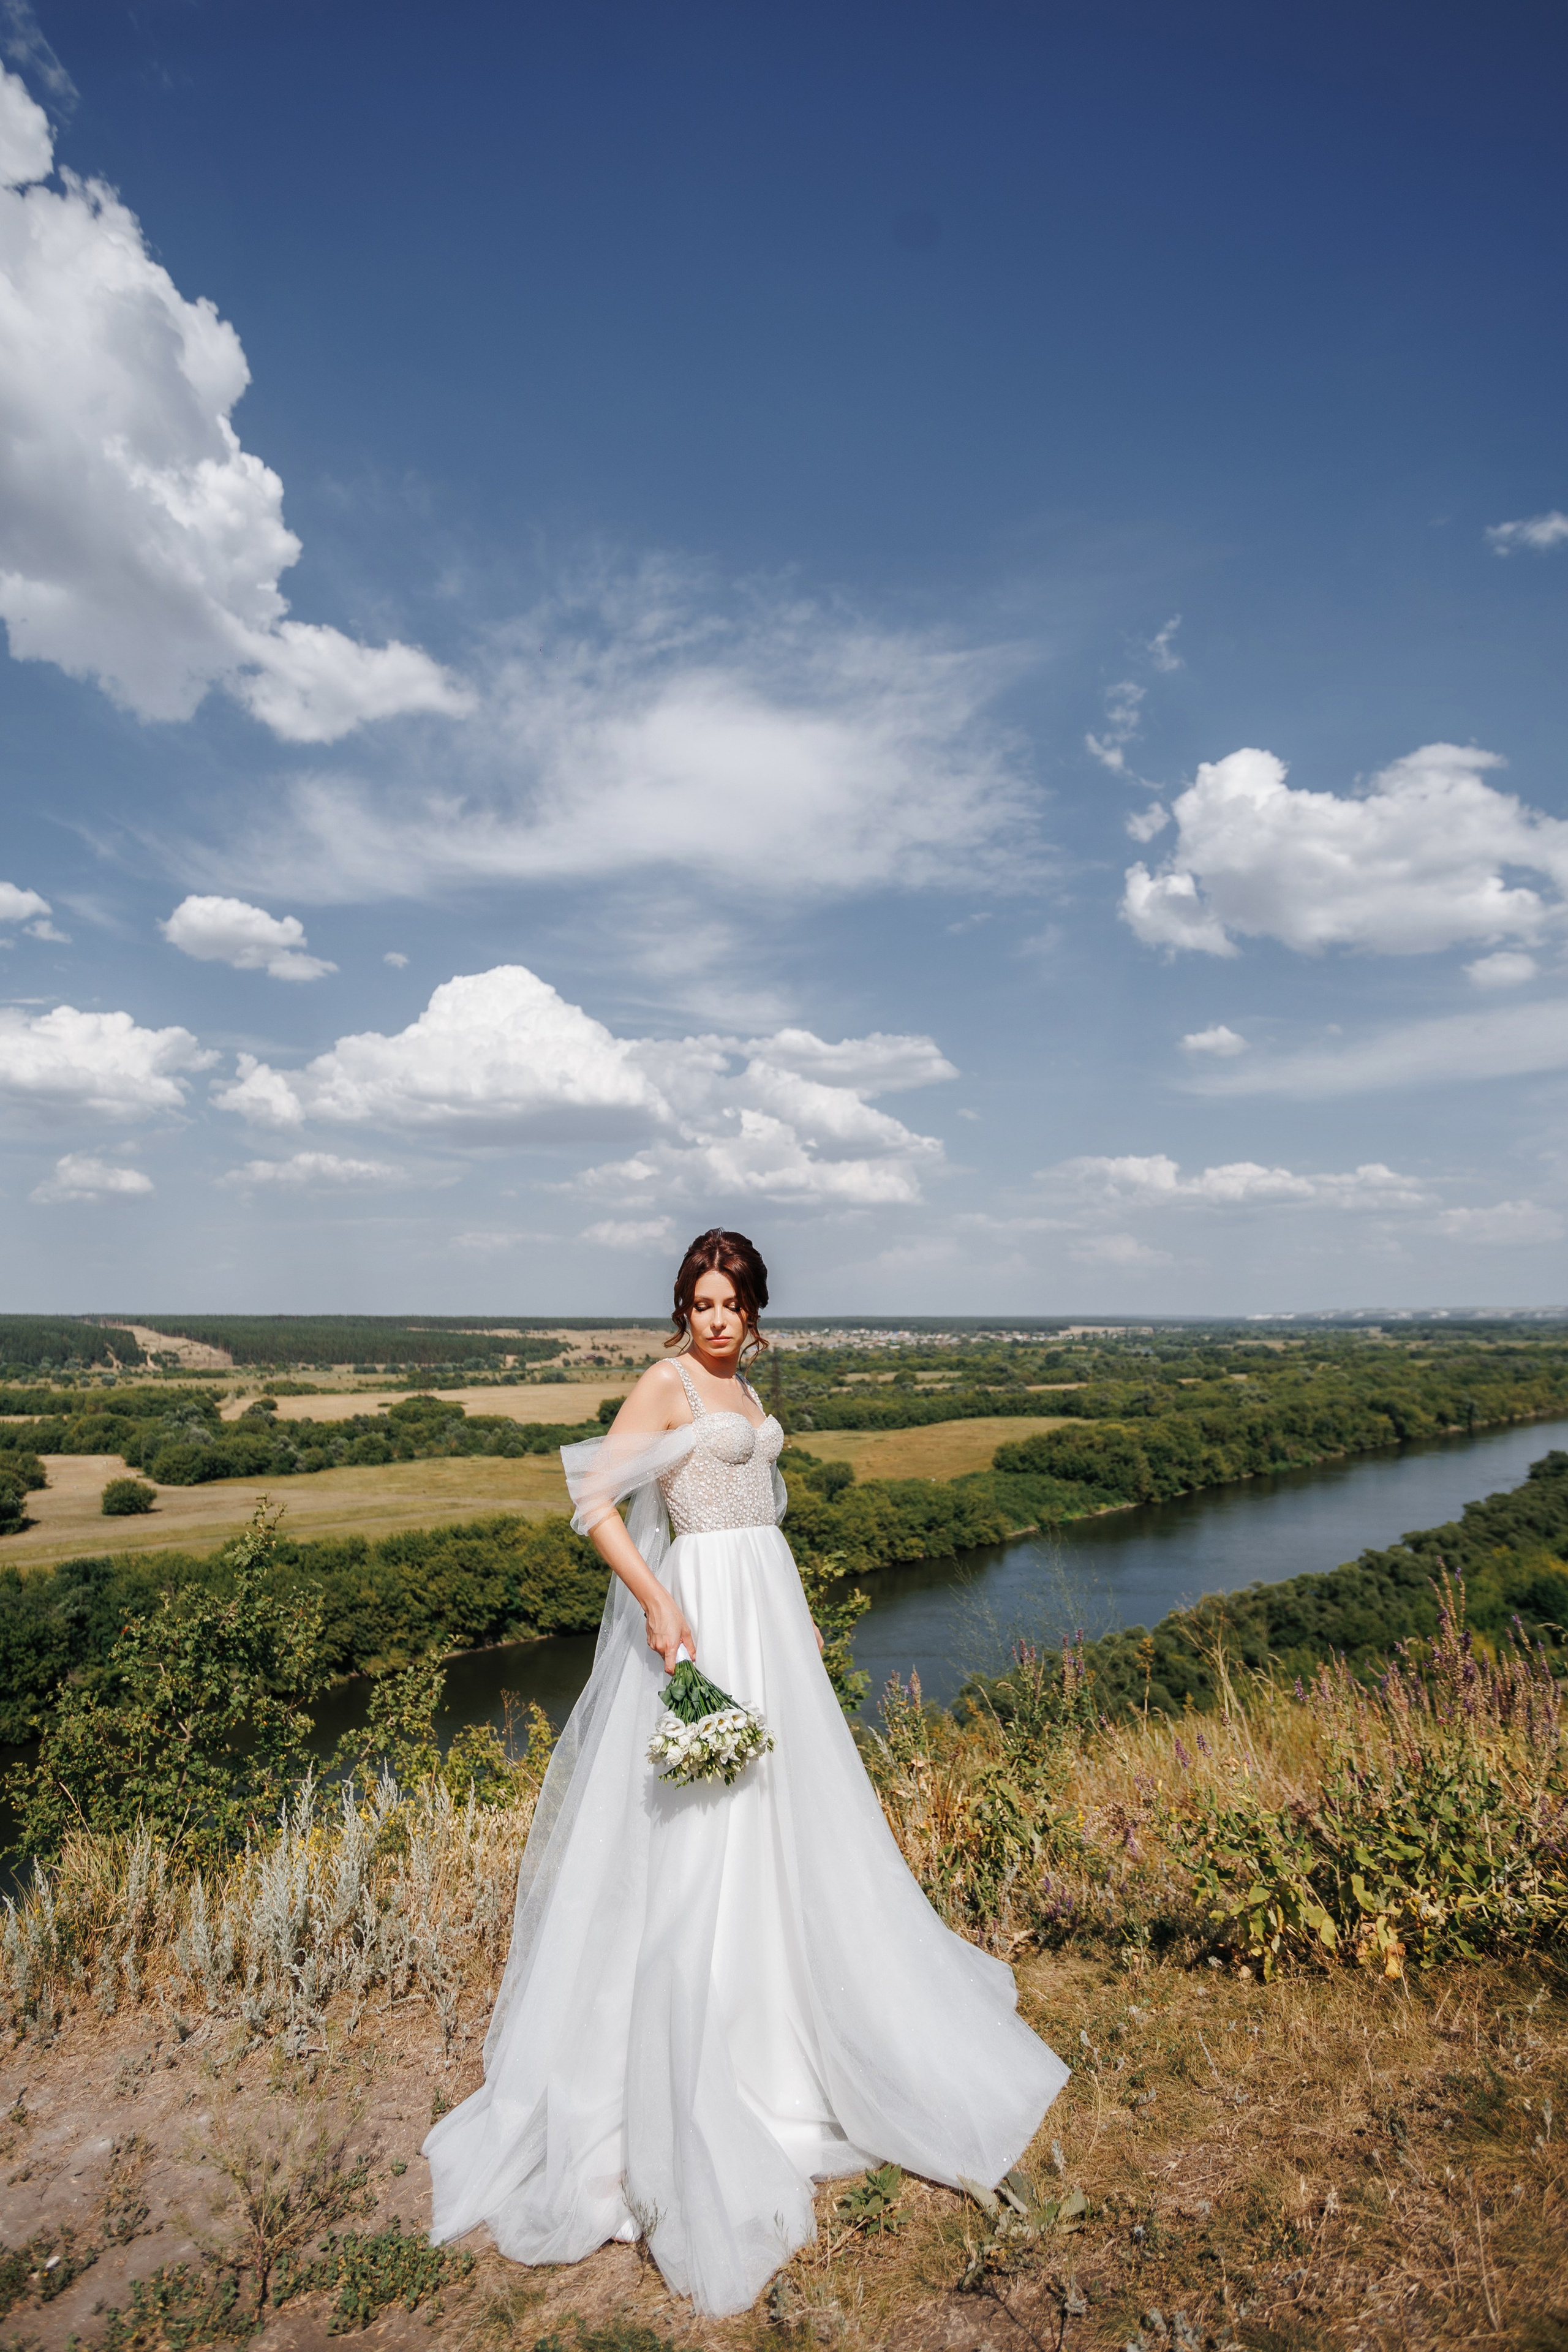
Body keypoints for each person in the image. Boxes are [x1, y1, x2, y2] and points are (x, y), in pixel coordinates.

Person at [424, 1228, 1067, 2316]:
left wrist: (804, 1622)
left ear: (755, 1312)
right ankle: (705, 2058)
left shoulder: (748, 1389)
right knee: (700, 1831)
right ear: (684, 1309)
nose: (715, 1318)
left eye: (730, 1303)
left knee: (791, 1820)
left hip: (768, 1608)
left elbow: (763, 1513)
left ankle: (808, 2020)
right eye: (700, 1300)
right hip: (704, 1613)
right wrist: (658, 1602)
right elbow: (591, 1505)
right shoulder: (667, 1384)